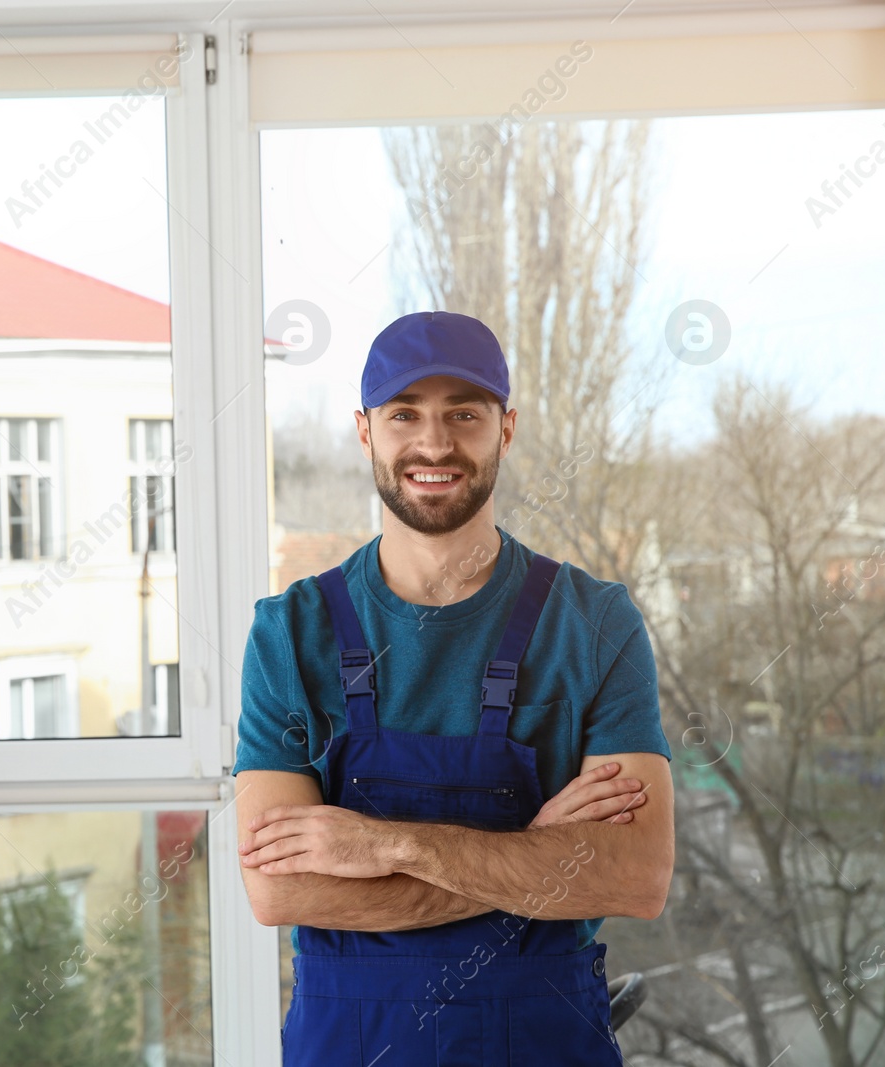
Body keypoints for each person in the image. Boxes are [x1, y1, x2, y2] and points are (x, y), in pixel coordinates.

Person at [234, 311, 674, 1065]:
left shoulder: (595, 624)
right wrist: (539, 857)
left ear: (504, 429)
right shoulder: (290, 634)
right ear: (365, 430)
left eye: (462, 414)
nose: (434, 444)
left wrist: (384, 844)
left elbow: (634, 876)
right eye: (405, 414)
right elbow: (282, 893)